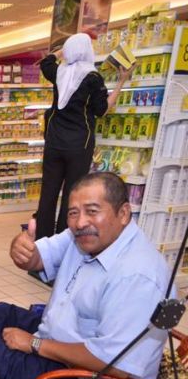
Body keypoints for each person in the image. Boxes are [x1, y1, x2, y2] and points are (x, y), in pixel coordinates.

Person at [0, 172, 170, 379]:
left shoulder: (139, 276)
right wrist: (21, 250)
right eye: (73, 213)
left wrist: (35, 344)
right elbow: (35, 259)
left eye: (92, 211)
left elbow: (115, 365)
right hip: (66, 340)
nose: (80, 222)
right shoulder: (84, 236)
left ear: (123, 214)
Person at [36, 33, 132, 239]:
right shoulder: (93, 78)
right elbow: (101, 110)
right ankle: (64, 242)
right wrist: (121, 81)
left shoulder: (59, 72)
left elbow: (46, 62)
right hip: (79, 145)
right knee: (72, 196)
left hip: (54, 143)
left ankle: (42, 244)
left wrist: (62, 52)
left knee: (48, 195)